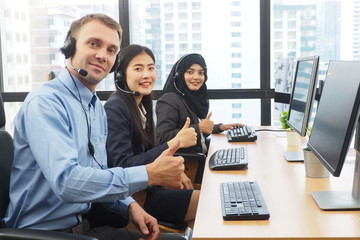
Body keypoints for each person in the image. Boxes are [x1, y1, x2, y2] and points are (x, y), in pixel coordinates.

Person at [3, 14, 185, 240]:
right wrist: (149, 174)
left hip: (82, 226)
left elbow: (98, 171)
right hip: (41, 235)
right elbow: (67, 182)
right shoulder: (46, 102)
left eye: (111, 50)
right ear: (70, 46)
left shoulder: (95, 107)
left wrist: (130, 206)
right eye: (93, 44)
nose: (102, 55)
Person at [105, 44, 199, 229]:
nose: (147, 75)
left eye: (150, 67)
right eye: (138, 68)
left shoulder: (141, 105)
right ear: (121, 74)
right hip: (135, 200)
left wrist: (172, 171)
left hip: (150, 189)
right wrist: (176, 142)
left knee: (204, 211)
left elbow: (148, 153)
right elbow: (123, 165)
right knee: (209, 204)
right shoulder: (115, 108)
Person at [156, 53, 244, 155]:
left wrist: (219, 127)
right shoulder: (169, 99)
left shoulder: (193, 98)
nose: (196, 77)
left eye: (201, 73)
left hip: (200, 157)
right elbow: (162, 138)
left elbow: (196, 129)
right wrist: (199, 128)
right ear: (179, 75)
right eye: (190, 72)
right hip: (186, 165)